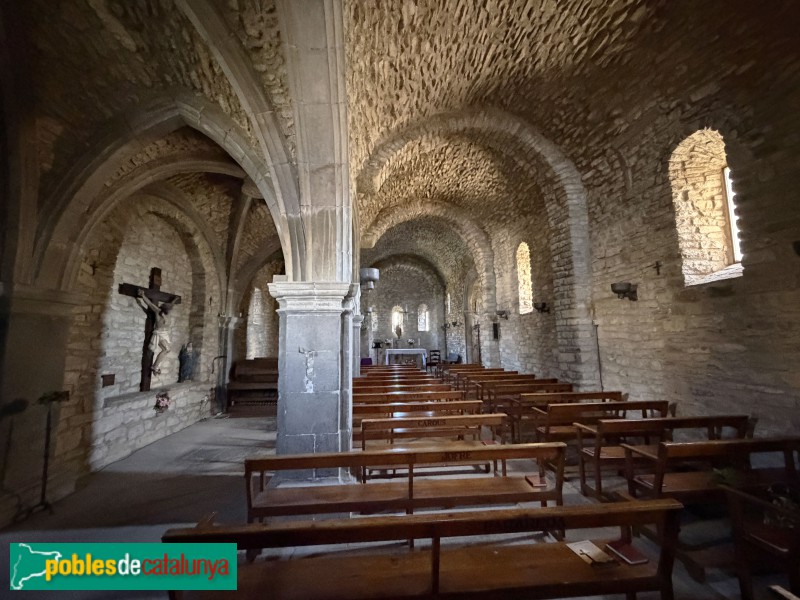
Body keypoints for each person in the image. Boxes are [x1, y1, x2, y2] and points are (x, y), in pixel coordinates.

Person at [137, 290, 176, 376]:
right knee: (166, 349)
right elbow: (150, 304)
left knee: (166, 350)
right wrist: (143, 295)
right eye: (169, 309)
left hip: (164, 334)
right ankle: (155, 366)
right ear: (165, 309)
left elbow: (171, 305)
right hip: (159, 334)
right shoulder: (158, 311)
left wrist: (174, 300)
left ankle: (156, 366)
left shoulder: (167, 314)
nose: (170, 311)